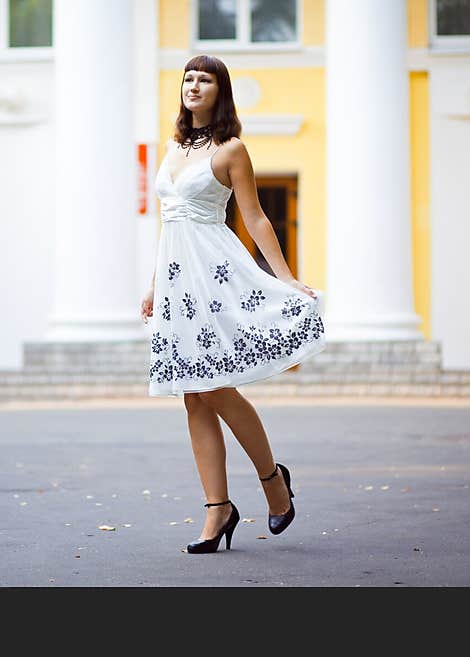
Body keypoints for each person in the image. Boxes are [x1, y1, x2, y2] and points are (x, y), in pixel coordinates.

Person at [139, 55, 327, 554]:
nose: (193, 85)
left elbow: (257, 218)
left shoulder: (231, 149)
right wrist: (156, 284)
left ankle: (272, 480)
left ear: (220, 91)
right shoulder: (173, 145)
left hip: (214, 273)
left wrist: (285, 279)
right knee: (193, 395)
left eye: (205, 79)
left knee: (218, 388)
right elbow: (169, 223)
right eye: (188, 78)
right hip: (177, 280)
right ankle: (217, 509)